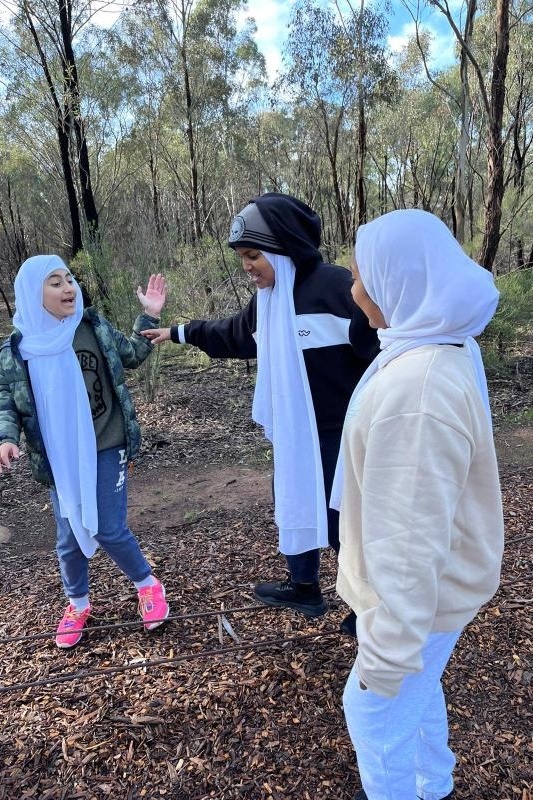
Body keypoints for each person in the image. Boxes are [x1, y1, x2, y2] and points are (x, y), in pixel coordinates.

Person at [143, 193, 379, 623]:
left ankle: (367, 607)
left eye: (254, 255)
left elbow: (377, 349)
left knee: (341, 516)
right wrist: (178, 332)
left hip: (338, 429)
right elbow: (233, 334)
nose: (248, 266)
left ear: (284, 247)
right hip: (293, 428)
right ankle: (304, 588)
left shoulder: (334, 287)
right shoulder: (268, 301)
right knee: (292, 500)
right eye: (243, 258)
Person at [334, 209, 505, 800]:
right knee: (420, 685)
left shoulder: (418, 389)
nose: (353, 290)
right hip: (439, 594)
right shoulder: (438, 342)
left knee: (375, 713)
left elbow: (409, 541)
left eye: (360, 276)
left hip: (422, 601)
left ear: (397, 280)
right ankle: (436, 784)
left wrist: (385, 656)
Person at [0, 255, 170, 649]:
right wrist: (6, 438)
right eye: (55, 282)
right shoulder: (17, 351)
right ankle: (77, 603)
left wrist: (149, 316)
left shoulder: (91, 327)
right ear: (31, 293)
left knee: (108, 527)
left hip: (106, 444)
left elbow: (131, 355)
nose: (68, 288)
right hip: (60, 458)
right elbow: (7, 401)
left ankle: (147, 584)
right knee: (69, 538)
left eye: (70, 279)